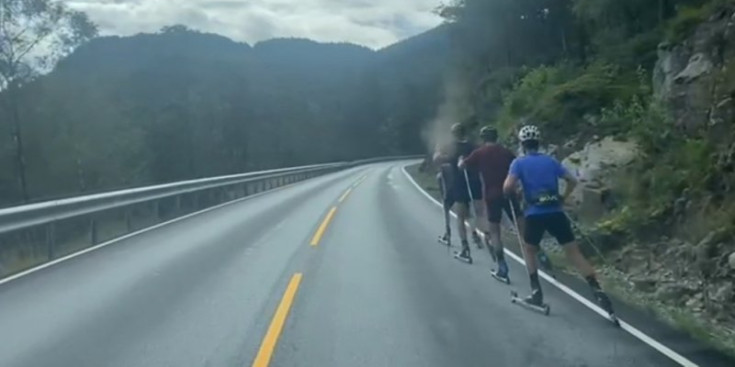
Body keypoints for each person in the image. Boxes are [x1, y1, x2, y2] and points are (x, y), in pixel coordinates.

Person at [503, 125, 615, 315]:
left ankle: (536, 292)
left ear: (522, 145)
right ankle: (597, 289)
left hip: (534, 214)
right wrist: (563, 197)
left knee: (529, 249)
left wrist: (517, 194)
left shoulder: (518, 163)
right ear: (538, 143)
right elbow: (572, 180)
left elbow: (507, 187)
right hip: (556, 211)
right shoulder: (551, 161)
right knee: (574, 252)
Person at [459, 126, 520, 280]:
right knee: (521, 226)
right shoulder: (505, 151)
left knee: (495, 232)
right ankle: (538, 253)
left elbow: (463, 165)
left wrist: (461, 161)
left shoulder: (479, 153)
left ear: (483, 138)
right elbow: (517, 165)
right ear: (496, 137)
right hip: (508, 193)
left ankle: (502, 266)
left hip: (491, 196)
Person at [433, 123, 484, 262]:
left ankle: (464, 247)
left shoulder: (452, 147)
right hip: (475, 184)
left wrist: (438, 149)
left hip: (459, 184)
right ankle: (475, 233)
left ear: (453, 134)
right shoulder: (473, 146)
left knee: (460, 216)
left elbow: (437, 159)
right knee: (475, 213)